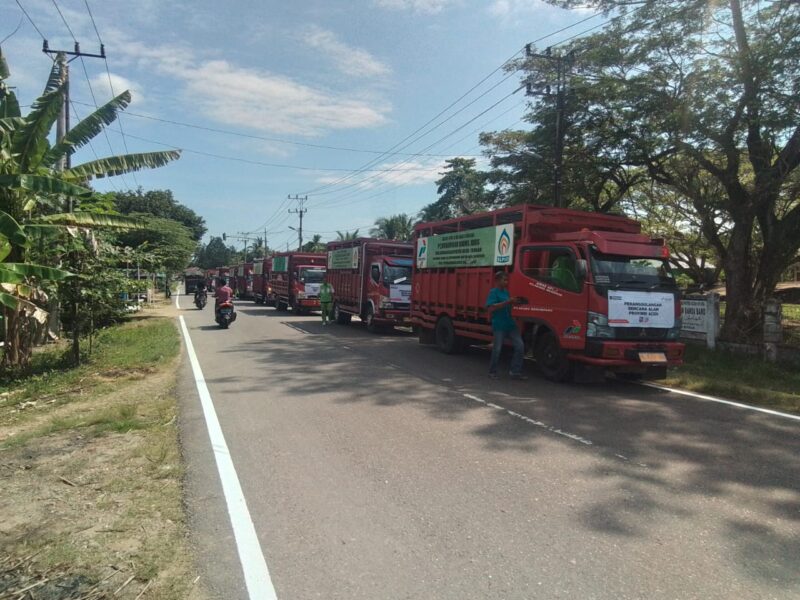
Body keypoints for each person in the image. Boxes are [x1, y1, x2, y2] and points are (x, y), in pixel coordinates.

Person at [486, 271, 527, 380]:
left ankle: (515, 371)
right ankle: (492, 372)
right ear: (497, 280)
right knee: (497, 349)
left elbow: (509, 307)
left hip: (510, 324)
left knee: (520, 346)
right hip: (499, 325)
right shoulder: (493, 292)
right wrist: (508, 302)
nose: (506, 282)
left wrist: (515, 302)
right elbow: (491, 308)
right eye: (504, 280)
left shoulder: (506, 293)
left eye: (507, 280)